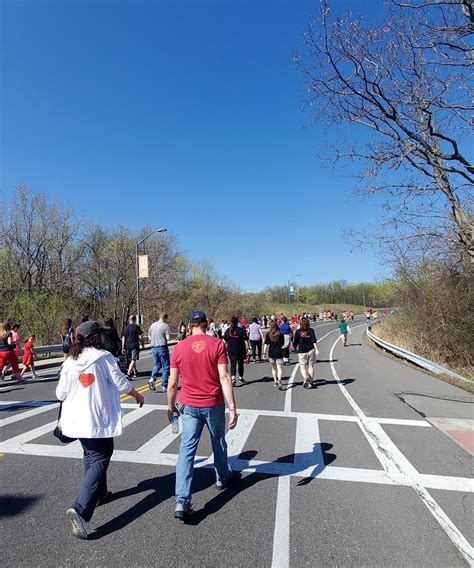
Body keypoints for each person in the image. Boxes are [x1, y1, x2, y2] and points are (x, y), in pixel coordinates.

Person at [56, 320, 144, 539]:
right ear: (97, 337)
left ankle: (100, 493)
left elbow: (60, 394)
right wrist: (137, 395)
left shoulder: (70, 361)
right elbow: (121, 383)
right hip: (96, 420)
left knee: (90, 453)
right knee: (100, 457)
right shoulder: (103, 358)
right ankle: (81, 509)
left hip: (75, 421)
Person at [167, 311, 237, 521]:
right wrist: (232, 406)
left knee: (186, 451)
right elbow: (224, 376)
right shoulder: (217, 344)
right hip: (213, 403)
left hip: (188, 405)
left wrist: (170, 406)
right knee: (218, 442)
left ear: (189, 326)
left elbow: (172, 382)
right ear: (206, 324)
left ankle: (182, 501)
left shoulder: (179, 348)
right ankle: (222, 477)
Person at [293, 318, 319, 388]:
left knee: (302, 365)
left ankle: (305, 377)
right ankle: (311, 381)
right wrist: (316, 349)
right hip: (310, 350)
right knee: (311, 366)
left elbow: (295, 342)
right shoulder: (311, 330)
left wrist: (294, 347)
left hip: (302, 351)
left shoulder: (298, 331)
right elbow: (314, 340)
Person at [148, 313, 171, 393]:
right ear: (165, 318)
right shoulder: (165, 326)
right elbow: (168, 338)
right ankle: (164, 385)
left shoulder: (152, 325)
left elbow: (149, 338)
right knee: (165, 366)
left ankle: (152, 378)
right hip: (162, 347)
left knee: (157, 364)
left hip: (153, 347)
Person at [224, 316, 248, 385]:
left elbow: (225, 339)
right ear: (237, 322)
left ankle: (233, 378)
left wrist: (228, 345)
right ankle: (240, 378)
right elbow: (245, 339)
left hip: (231, 349)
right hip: (240, 349)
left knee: (233, 364)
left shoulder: (228, 331)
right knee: (240, 364)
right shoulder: (241, 330)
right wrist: (248, 347)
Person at [264, 321, 284, 390]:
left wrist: (264, 353)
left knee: (274, 368)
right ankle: (279, 381)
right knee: (279, 368)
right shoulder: (281, 334)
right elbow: (282, 343)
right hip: (279, 352)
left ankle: (275, 381)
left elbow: (266, 344)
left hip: (271, 353)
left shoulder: (268, 335)